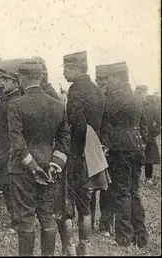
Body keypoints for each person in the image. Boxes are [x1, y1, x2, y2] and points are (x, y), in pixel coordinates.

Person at [8, 61, 71, 256]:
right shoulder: (58, 105)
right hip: (49, 167)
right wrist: (55, 165)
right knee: (47, 215)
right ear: (41, 77)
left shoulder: (15, 105)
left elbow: (17, 142)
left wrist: (32, 166)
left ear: (21, 78)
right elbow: (64, 138)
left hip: (22, 169)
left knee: (26, 217)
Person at [61, 51, 110, 255]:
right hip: (93, 151)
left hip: (78, 152)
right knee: (87, 202)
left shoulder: (76, 89)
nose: (63, 73)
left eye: (66, 68)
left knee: (71, 202)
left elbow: (77, 123)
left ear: (76, 68)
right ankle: (85, 246)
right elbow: (104, 121)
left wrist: (75, 149)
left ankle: (72, 249)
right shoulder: (98, 90)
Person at [100, 61, 148, 247]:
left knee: (122, 192)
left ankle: (123, 238)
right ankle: (140, 236)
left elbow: (107, 113)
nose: (108, 82)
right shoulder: (136, 97)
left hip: (122, 149)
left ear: (117, 78)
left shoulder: (117, 97)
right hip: (136, 147)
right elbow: (143, 126)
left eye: (110, 78)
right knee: (134, 191)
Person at [0, 68, 21, 233]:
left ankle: (17, 222)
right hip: (4, 150)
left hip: (9, 151)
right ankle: (15, 220)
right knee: (8, 187)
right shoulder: (7, 99)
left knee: (11, 189)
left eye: (6, 80)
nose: (3, 83)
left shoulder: (14, 101)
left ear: (14, 83)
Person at [95, 64, 115, 237]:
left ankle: (105, 224)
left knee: (107, 187)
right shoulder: (100, 97)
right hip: (101, 147)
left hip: (109, 148)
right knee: (101, 185)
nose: (101, 84)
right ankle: (104, 223)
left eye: (102, 80)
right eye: (99, 80)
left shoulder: (111, 99)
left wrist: (105, 144)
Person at [135, 87, 161, 184]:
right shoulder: (136, 104)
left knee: (149, 158)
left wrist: (153, 133)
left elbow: (159, 123)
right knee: (136, 157)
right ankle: (137, 177)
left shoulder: (153, 106)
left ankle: (148, 177)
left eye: (142, 93)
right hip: (137, 135)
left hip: (149, 136)